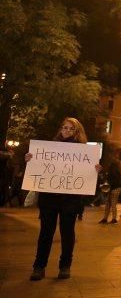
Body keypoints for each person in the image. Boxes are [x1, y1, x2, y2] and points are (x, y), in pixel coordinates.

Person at [26, 118, 102, 280]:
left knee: (67, 233)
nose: (66, 130)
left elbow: (88, 177)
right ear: (60, 129)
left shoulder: (83, 153)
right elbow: (38, 168)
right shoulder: (48, 148)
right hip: (49, 199)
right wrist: (29, 160)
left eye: (71, 129)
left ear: (77, 132)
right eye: (64, 127)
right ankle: (39, 266)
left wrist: (95, 170)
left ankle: (65, 266)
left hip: (70, 200)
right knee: (46, 232)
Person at [99, 156, 121, 224]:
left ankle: (111, 219)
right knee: (110, 204)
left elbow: (112, 180)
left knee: (111, 204)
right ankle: (108, 219)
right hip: (115, 188)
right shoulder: (118, 170)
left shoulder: (112, 170)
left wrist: (108, 184)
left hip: (114, 189)